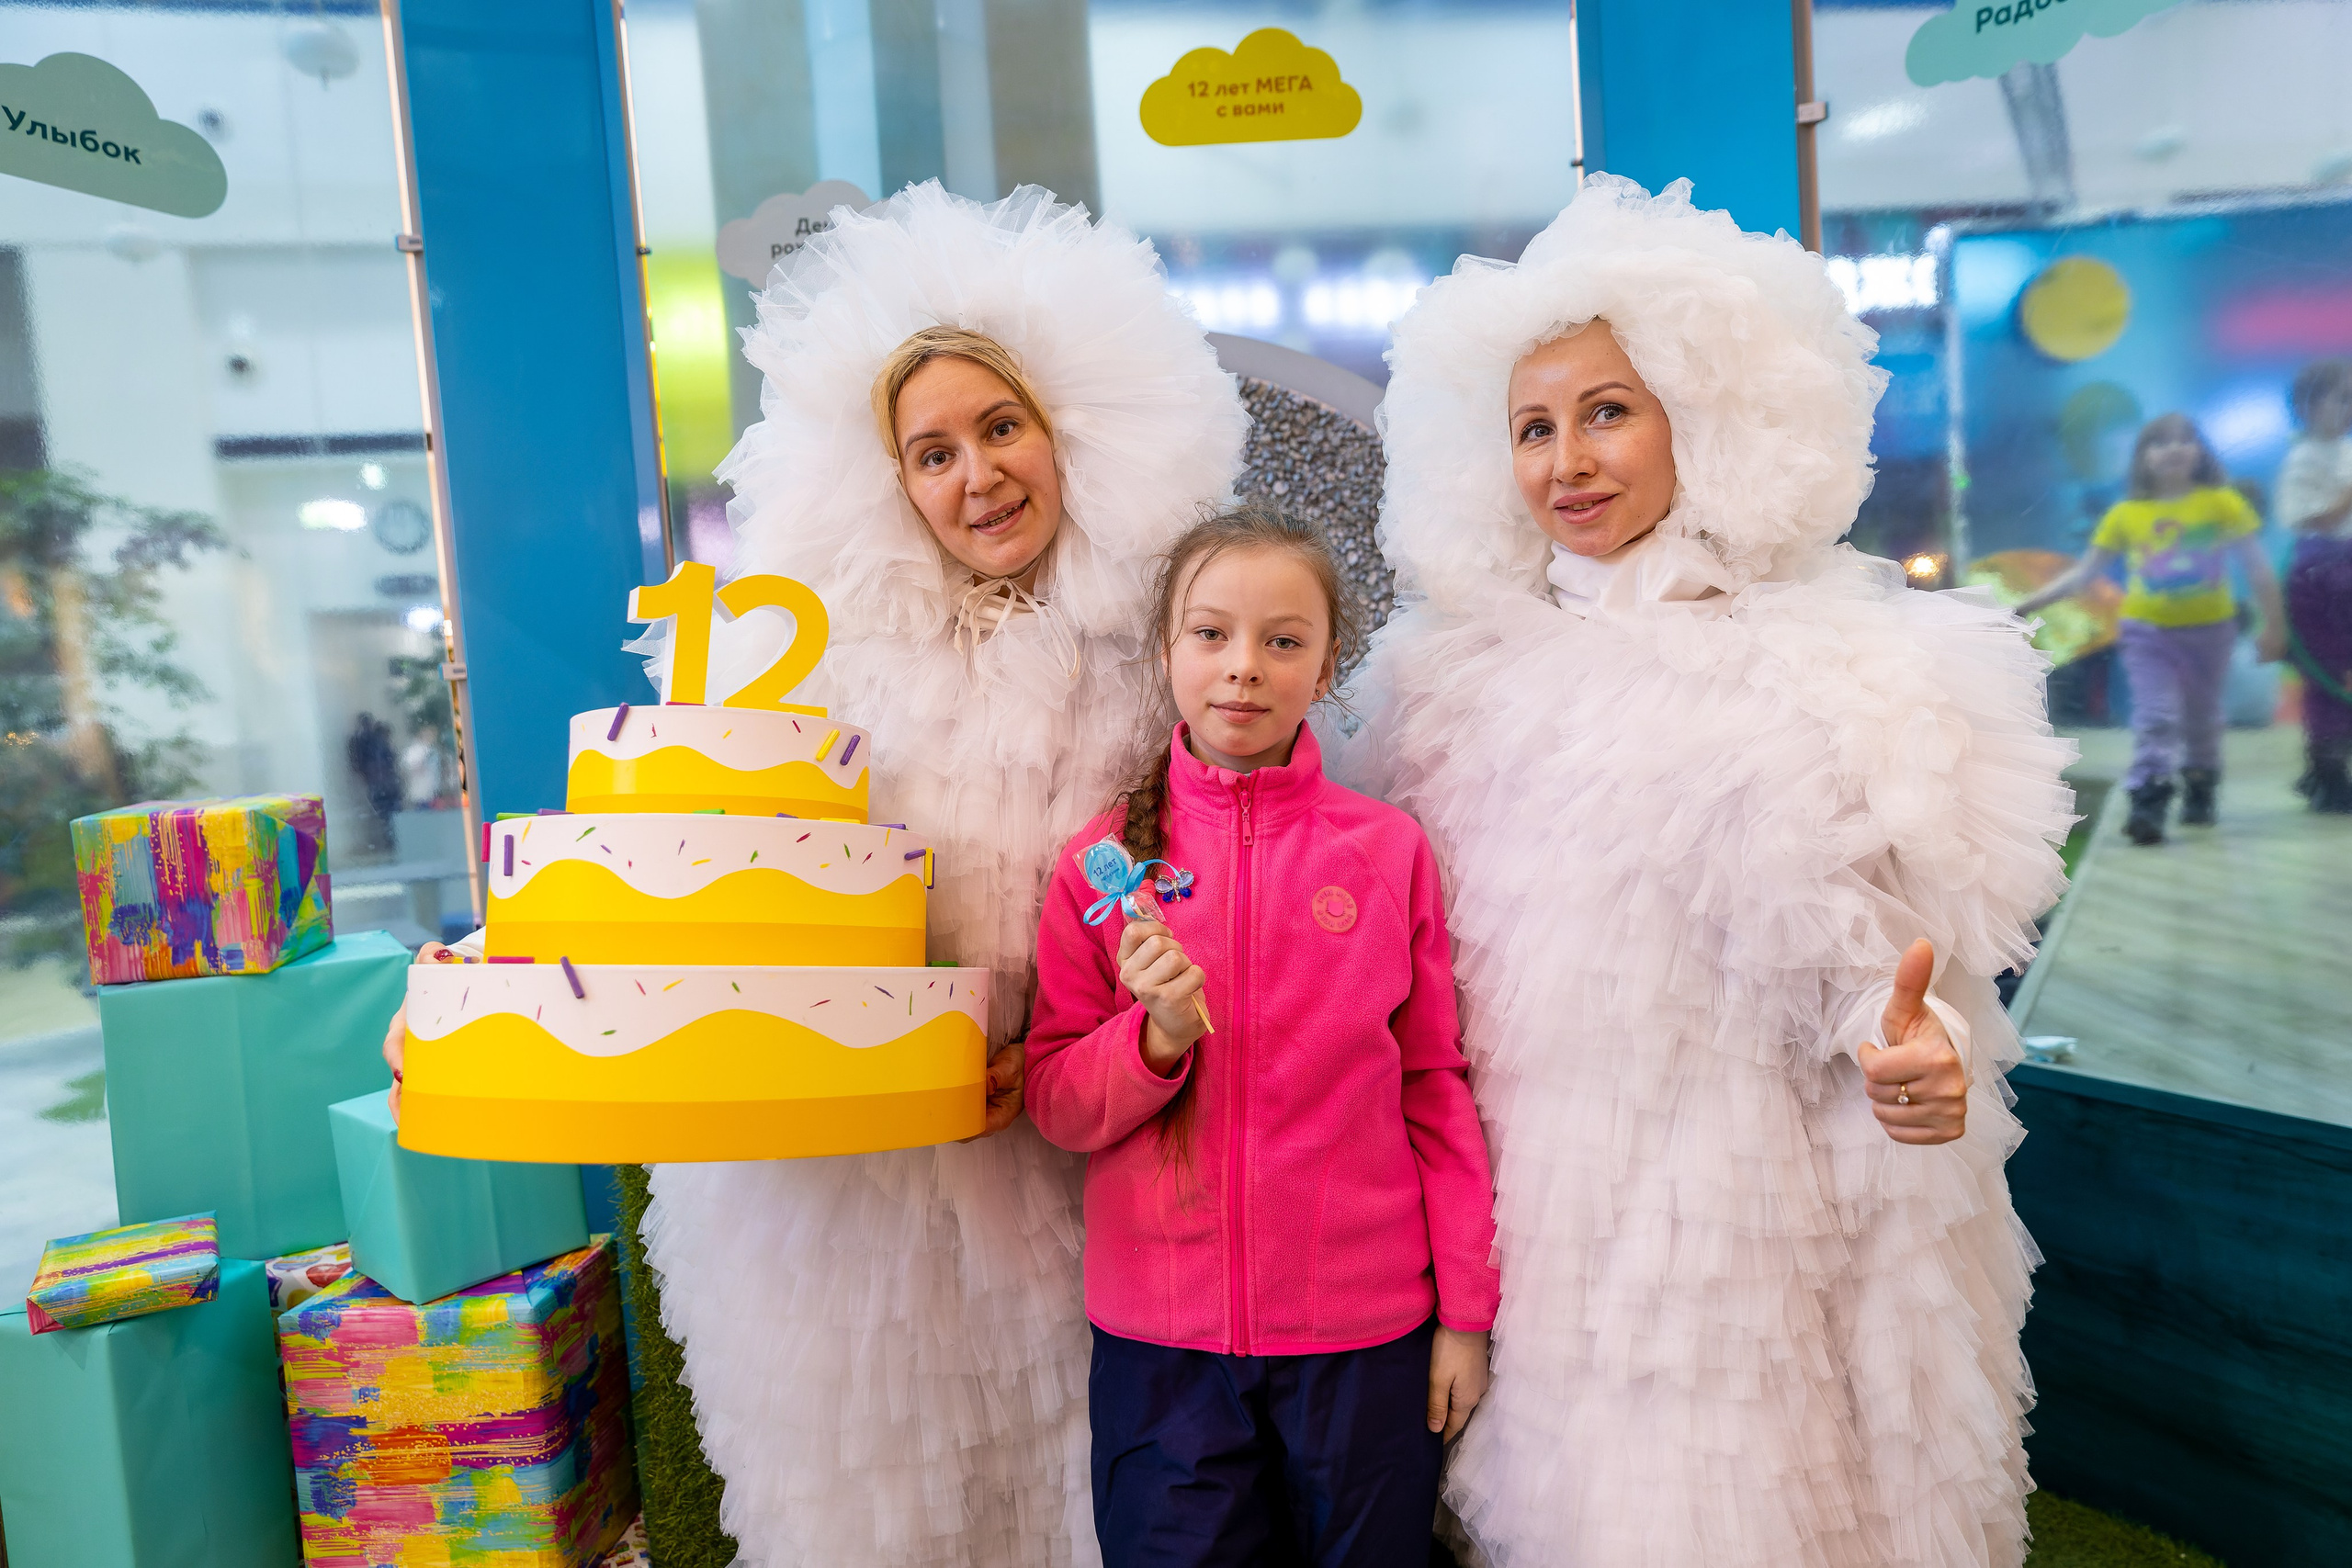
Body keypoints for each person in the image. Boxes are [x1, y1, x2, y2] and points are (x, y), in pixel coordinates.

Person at [383, 184, 1248, 1566]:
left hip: (1077, 1147)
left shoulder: (1171, 647)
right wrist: (481, 992)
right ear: (886, 478)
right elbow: (670, 851)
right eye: (933, 450)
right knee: (876, 1487)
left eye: (1002, 427)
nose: (978, 475)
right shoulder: (808, 653)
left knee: (1072, 1482)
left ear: (1070, 429)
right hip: (840, 1166)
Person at [1335, 176, 2075, 1568]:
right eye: (1533, 427)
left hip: (1748, 1180)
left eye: (1609, 410)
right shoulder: (1444, 685)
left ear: (1705, 409)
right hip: (1535, 1190)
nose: (1568, 459)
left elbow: (1881, 960)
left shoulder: (1836, 662)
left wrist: (1917, 1050)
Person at [1024, 505, 1499, 1568]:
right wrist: (1151, 1044)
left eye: (1283, 640)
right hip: (1163, 1349)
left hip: (1366, 1342)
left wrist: (1463, 1316)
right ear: (1165, 650)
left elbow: (1433, 1088)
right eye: (1210, 634)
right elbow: (1054, 1099)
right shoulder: (1096, 864)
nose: (1243, 667)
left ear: (1328, 663)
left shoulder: (1387, 854)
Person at [2019, 412, 2287, 842]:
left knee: (2202, 716)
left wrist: (2274, 626)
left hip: (2210, 631)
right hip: (2148, 633)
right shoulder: (2126, 514)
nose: (2174, 448)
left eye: (2185, 439)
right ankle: (2149, 797)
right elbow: (2085, 572)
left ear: (2200, 452)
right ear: (2142, 457)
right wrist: (2030, 603)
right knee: (2156, 716)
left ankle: (2201, 783)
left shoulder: (2222, 504)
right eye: (2160, 442)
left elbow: (2257, 567)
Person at [2275, 358, 2352, 812]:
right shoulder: (2304, 456)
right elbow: (2309, 518)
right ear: (2306, 406)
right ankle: (2326, 770)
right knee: (2327, 672)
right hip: (2319, 577)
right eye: (2340, 398)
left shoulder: (2343, 449)